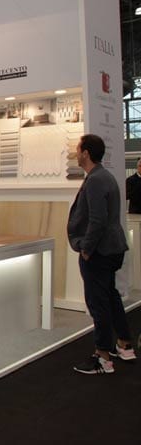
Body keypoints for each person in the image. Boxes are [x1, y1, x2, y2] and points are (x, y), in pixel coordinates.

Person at [68, 134, 136, 374]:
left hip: (99, 251)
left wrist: (87, 248)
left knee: (98, 303)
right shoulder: (104, 176)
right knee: (110, 296)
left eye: (78, 149)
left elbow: (98, 220)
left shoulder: (96, 180)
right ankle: (124, 344)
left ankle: (103, 357)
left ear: (86, 153)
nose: (76, 153)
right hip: (110, 249)